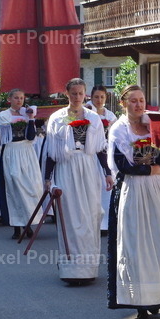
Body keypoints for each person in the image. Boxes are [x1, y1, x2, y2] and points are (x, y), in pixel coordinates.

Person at [106, 84, 160, 319]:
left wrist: (154, 146)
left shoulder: (153, 124)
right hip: (133, 189)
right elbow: (123, 165)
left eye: (141, 100)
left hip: (156, 189)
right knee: (136, 244)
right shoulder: (119, 130)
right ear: (124, 103)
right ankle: (139, 304)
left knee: (159, 241)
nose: (138, 105)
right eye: (133, 101)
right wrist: (148, 168)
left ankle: (156, 296)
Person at [43, 78, 113, 285]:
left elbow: (101, 148)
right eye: (73, 93)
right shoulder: (58, 118)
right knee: (70, 217)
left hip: (88, 169)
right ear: (67, 94)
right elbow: (51, 152)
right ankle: (70, 268)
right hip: (66, 169)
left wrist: (107, 172)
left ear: (85, 95)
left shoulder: (93, 118)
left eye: (80, 93)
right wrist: (47, 178)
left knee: (90, 216)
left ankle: (88, 269)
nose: (77, 97)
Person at [0, 89, 40, 238]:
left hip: (27, 152)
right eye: (16, 98)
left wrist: (31, 119)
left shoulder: (27, 113)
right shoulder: (3, 116)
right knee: (14, 188)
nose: (19, 101)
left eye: (21, 98)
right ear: (9, 99)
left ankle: (28, 222)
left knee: (31, 187)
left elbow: (31, 137)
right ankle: (17, 226)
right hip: (11, 152)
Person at [88, 84, 118, 234]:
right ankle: (93, 222)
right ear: (91, 97)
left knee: (107, 189)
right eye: (96, 97)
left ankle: (105, 224)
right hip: (93, 153)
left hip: (107, 152)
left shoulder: (110, 115)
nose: (99, 100)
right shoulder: (87, 113)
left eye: (102, 97)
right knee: (93, 188)